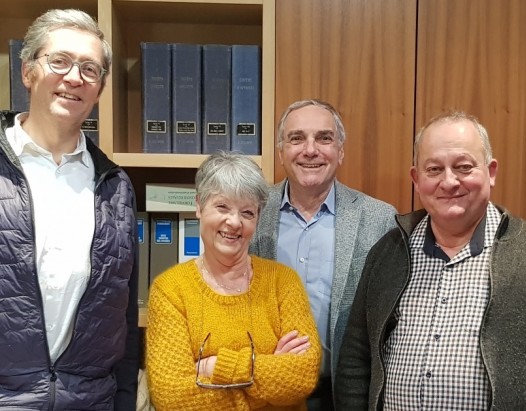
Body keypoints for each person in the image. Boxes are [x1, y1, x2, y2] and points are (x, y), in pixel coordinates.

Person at [335, 111, 526, 410]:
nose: (449, 182)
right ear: (416, 179)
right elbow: (355, 361)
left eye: (463, 167)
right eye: (434, 169)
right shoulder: (388, 253)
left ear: (491, 172)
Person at [0, 9, 139, 410]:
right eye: (59, 61)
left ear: (99, 89)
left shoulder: (116, 187)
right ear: (28, 72)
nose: (74, 77)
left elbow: (123, 319)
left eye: (89, 69)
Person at [250, 99, 397, 410]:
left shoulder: (380, 220)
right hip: (265, 392)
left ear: (340, 151)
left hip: (343, 397)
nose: (310, 150)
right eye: (297, 138)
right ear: (281, 152)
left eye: (324, 138)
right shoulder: (251, 213)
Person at [146, 151, 321, 410]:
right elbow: (173, 398)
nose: (234, 222)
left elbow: (302, 376)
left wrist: (215, 366)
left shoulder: (283, 283)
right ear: (199, 206)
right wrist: (268, 373)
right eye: (222, 207)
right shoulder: (170, 291)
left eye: (247, 212)